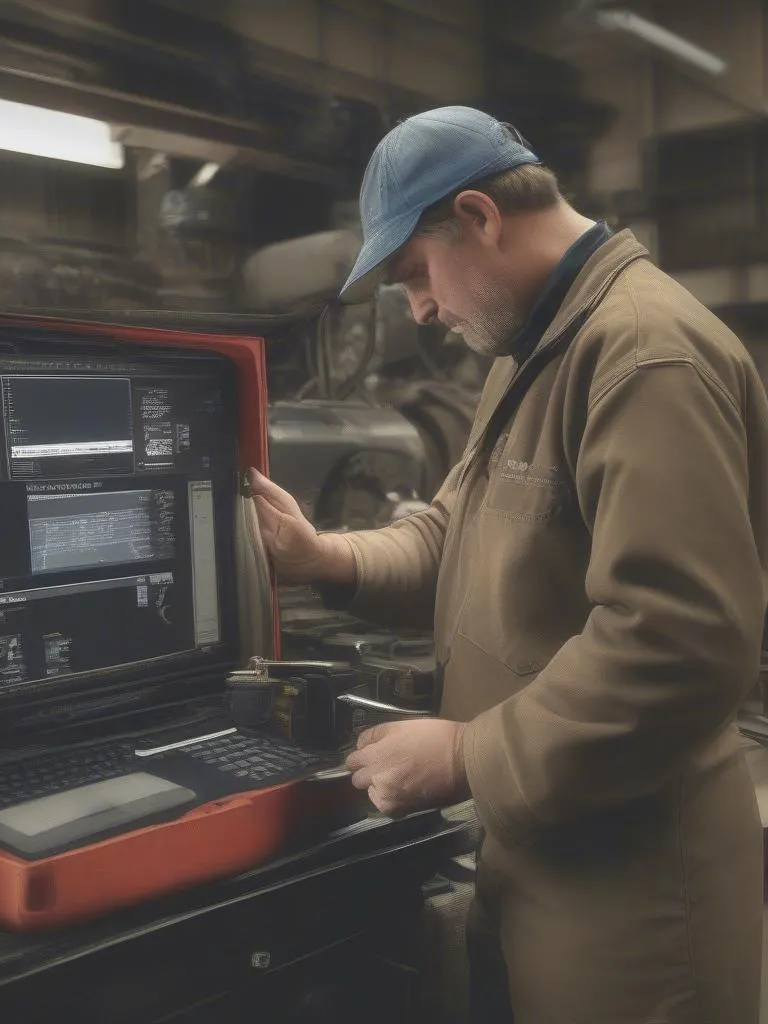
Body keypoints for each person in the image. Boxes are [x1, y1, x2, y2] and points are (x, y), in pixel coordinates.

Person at [249, 106, 768, 1023]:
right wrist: (324, 556)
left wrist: (466, 754)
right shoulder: (528, 352)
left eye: (415, 274)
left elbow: (678, 643)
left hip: (638, 890)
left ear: (482, 218)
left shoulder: (642, 356)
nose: (417, 308)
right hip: (549, 842)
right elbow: (454, 531)